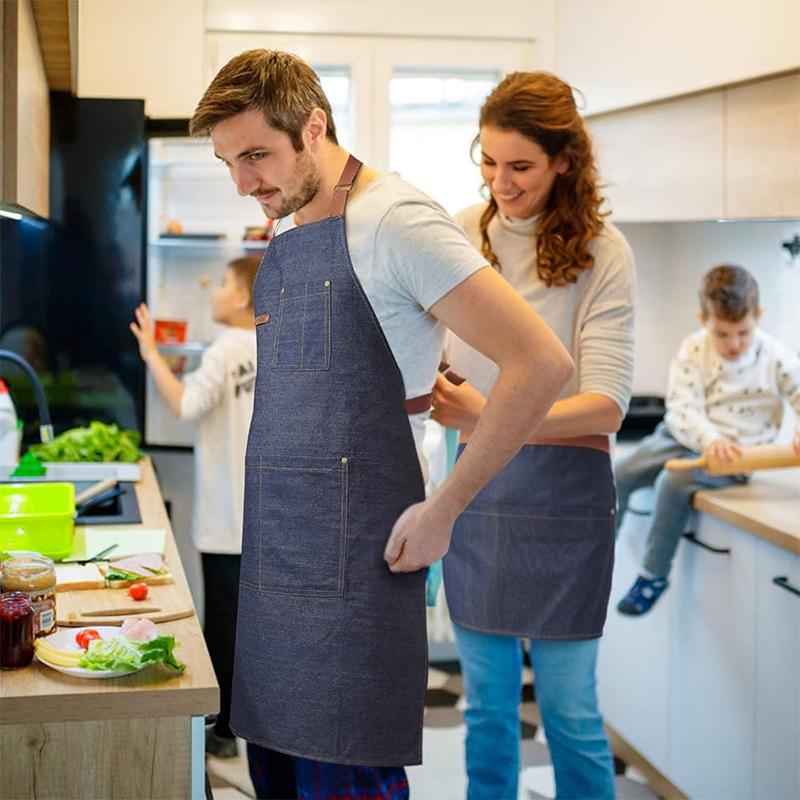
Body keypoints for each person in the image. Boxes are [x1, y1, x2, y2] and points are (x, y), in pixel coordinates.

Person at [188, 49, 574, 800]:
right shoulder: (292, 221)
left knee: (349, 775)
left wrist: (447, 507)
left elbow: (540, 363)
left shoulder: (396, 219)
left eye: (258, 155)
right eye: (228, 163)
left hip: (359, 563)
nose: (245, 184)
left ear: (314, 127)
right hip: (278, 567)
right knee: (279, 777)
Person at [433, 71, 635, 800]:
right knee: (486, 712)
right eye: (487, 162)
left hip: (566, 501)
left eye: (519, 166)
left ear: (564, 162)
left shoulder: (604, 252)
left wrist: (487, 415)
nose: (499, 183)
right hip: (476, 490)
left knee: (571, 714)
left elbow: (605, 405)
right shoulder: (462, 231)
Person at [129, 256, 260, 758]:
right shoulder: (270, 343)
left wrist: (150, 353)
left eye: (224, 283)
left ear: (244, 296)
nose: (216, 291)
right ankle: (250, 724)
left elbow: (185, 406)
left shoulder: (226, 348)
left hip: (226, 517)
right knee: (254, 624)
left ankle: (223, 731)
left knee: (224, 619)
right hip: (265, 515)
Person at [615, 264, 800, 615]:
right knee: (620, 471)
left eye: (743, 333)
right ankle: (600, 553)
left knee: (674, 480)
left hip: (737, 454)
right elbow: (683, 407)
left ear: (758, 316)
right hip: (683, 436)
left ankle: (653, 574)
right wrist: (709, 438)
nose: (734, 344)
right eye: (723, 333)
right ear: (703, 319)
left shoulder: (774, 355)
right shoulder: (693, 349)